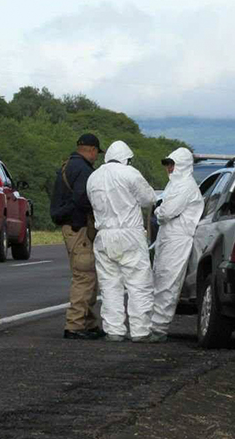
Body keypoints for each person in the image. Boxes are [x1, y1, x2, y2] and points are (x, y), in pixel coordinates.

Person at [86, 140, 158, 342]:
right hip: (129, 234)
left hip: (104, 236)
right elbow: (149, 198)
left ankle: (114, 330)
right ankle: (140, 331)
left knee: (110, 285)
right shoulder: (129, 173)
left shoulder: (93, 177)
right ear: (127, 158)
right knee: (138, 284)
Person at [50, 133, 105, 340]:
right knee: (85, 275)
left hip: (69, 225)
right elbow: (83, 199)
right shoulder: (83, 170)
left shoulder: (68, 165)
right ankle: (75, 325)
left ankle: (88, 323)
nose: (96, 157)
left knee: (88, 274)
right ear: (91, 150)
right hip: (78, 227)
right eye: (96, 153)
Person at [151, 148, 204, 340]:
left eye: (172, 164)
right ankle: (153, 324)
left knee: (169, 282)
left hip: (178, 240)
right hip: (168, 237)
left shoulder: (186, 186)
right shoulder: (174, 185)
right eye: (167, 164)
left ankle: (158, 328)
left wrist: (159, 211)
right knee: (159, 279)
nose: (169, 168)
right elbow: (164, 210)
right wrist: (161, 211)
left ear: (182, 165)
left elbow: (166, 211)